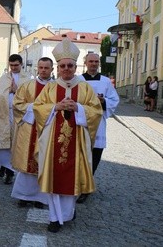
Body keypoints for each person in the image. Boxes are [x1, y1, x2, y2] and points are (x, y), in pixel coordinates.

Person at [33, 38, 102, 233]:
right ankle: (55, 218)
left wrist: (79, 108)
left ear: (76, 66)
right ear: (58, 66)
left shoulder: (86, 88)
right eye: (62, 65)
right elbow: (38, 108)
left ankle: (68, 213)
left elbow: (96, 111)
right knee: (55, 177)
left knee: (72, 176)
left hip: (77, 142)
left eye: (70, 65)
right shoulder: (51, 88)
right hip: (53, 141)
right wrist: (55, 107)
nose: (66, 69)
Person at [11, 57, 54, 209]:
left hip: (48, 129)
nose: (43, 70)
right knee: (26, 162)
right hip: (29, 127)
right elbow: (17, 104)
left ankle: (41, 198)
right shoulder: (27, 85)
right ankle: (23, 195)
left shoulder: (56, 88)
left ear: (52, 69)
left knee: (44, 163)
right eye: (41, 67)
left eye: (46, 68)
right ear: (37, 68)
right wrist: (34, 107)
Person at [77, 53, 120, 203]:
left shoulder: (106, 81)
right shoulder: (78, 80)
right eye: (91, 61)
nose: (93, 64)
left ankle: (86, 186)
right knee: (80, 154)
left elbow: (114, 100)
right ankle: (78, 183)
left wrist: (103, 101)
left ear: (99, 63)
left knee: (94, 156)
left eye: (96, 61)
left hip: (99, 124)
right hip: (81, 123)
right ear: (85, 63)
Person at [0, 54, 32, 184]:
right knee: (3, 144)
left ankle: (10, 172)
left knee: (14, 144)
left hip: (19, 116)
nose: (13, 67)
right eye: (11, 65)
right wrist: (7, 92)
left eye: (16, 65)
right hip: (3, 115)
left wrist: (17, 91)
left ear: (21, 64)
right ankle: (3, 166)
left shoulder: (27, 79)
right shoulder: (4, 78)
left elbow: (31, 97)